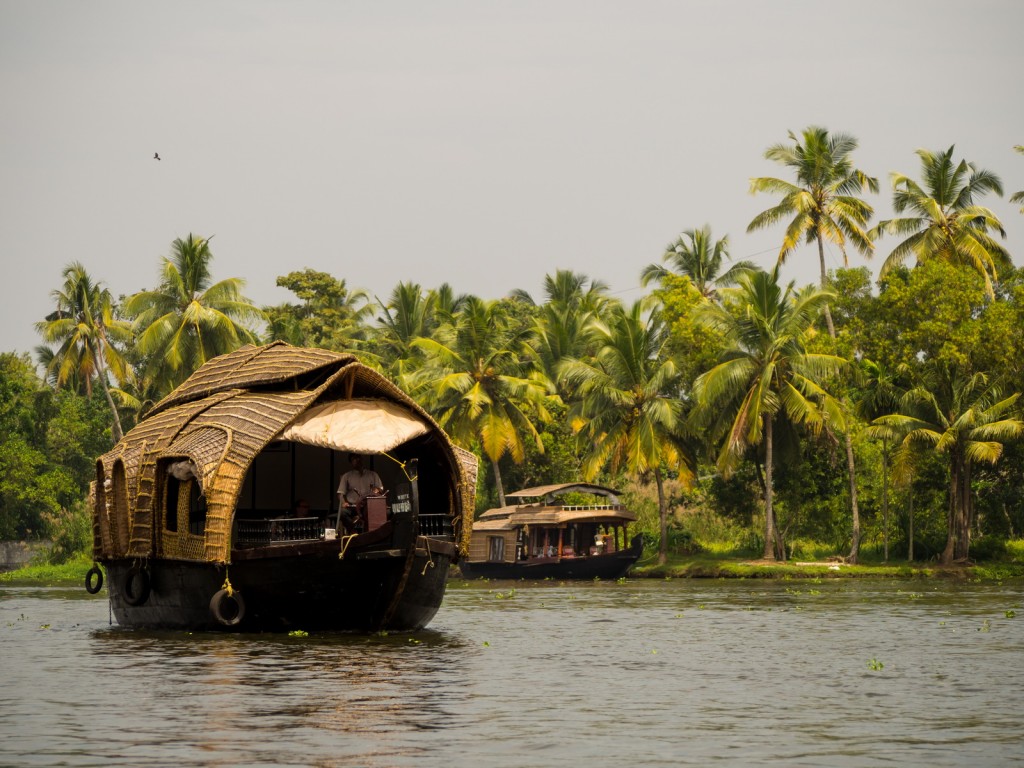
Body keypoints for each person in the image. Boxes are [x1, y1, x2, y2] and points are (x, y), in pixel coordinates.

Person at [336, 454, 383, 531]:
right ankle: (353, 529)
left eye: (358, 458)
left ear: (362, 459)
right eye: (354, 459)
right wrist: (343, 503)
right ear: (351, 462)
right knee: (342, 513)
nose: (357, 460)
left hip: (368, 506)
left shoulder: (373, 474)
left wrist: (377, 490)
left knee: (383, 512)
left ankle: (370, 532)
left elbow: (380, 489)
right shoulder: (347, 476)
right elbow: (340, 493)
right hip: (353, 507)